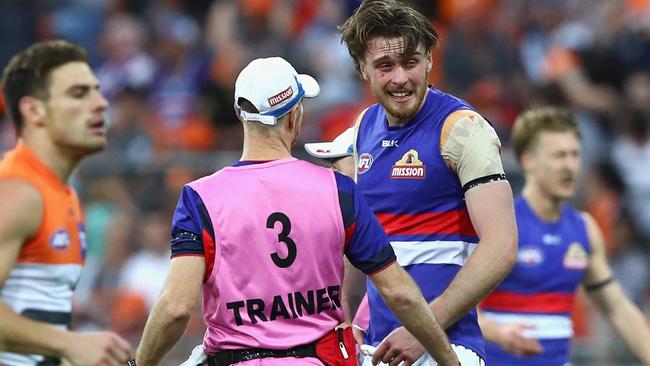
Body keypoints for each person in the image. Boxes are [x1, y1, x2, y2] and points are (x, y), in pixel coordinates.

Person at [134, 56, 460, 366]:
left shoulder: (199, 198)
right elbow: (398, 292)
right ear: (294, 116)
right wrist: (448, 359)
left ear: (241, 115)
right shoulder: (338, 189)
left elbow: (176, 308)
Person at [305, 1, 518, 364]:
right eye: (385, 66)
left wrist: (425, 329)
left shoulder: (463, 129)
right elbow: (359, 248)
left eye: (411, 62)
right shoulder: (362, 130)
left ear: (430, 61)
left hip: (450, 349)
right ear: (363, 70)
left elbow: (502, 245)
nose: (401, 78)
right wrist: (346, 323)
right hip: (378, 351)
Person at [478, 107, 650, 366]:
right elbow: (454, 309)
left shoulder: (584, 229)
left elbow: (616, 307)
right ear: (528, 161)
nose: (570, 165)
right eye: (559, 156)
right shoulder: (501, 224)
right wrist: (497, 333)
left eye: (575, 155)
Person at [0, 40, 133, 365]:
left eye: (97, 91)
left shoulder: (64, 194)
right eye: (78, 94)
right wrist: (68, 344)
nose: (101, 103)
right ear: (34, 111)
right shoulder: (17, 192)